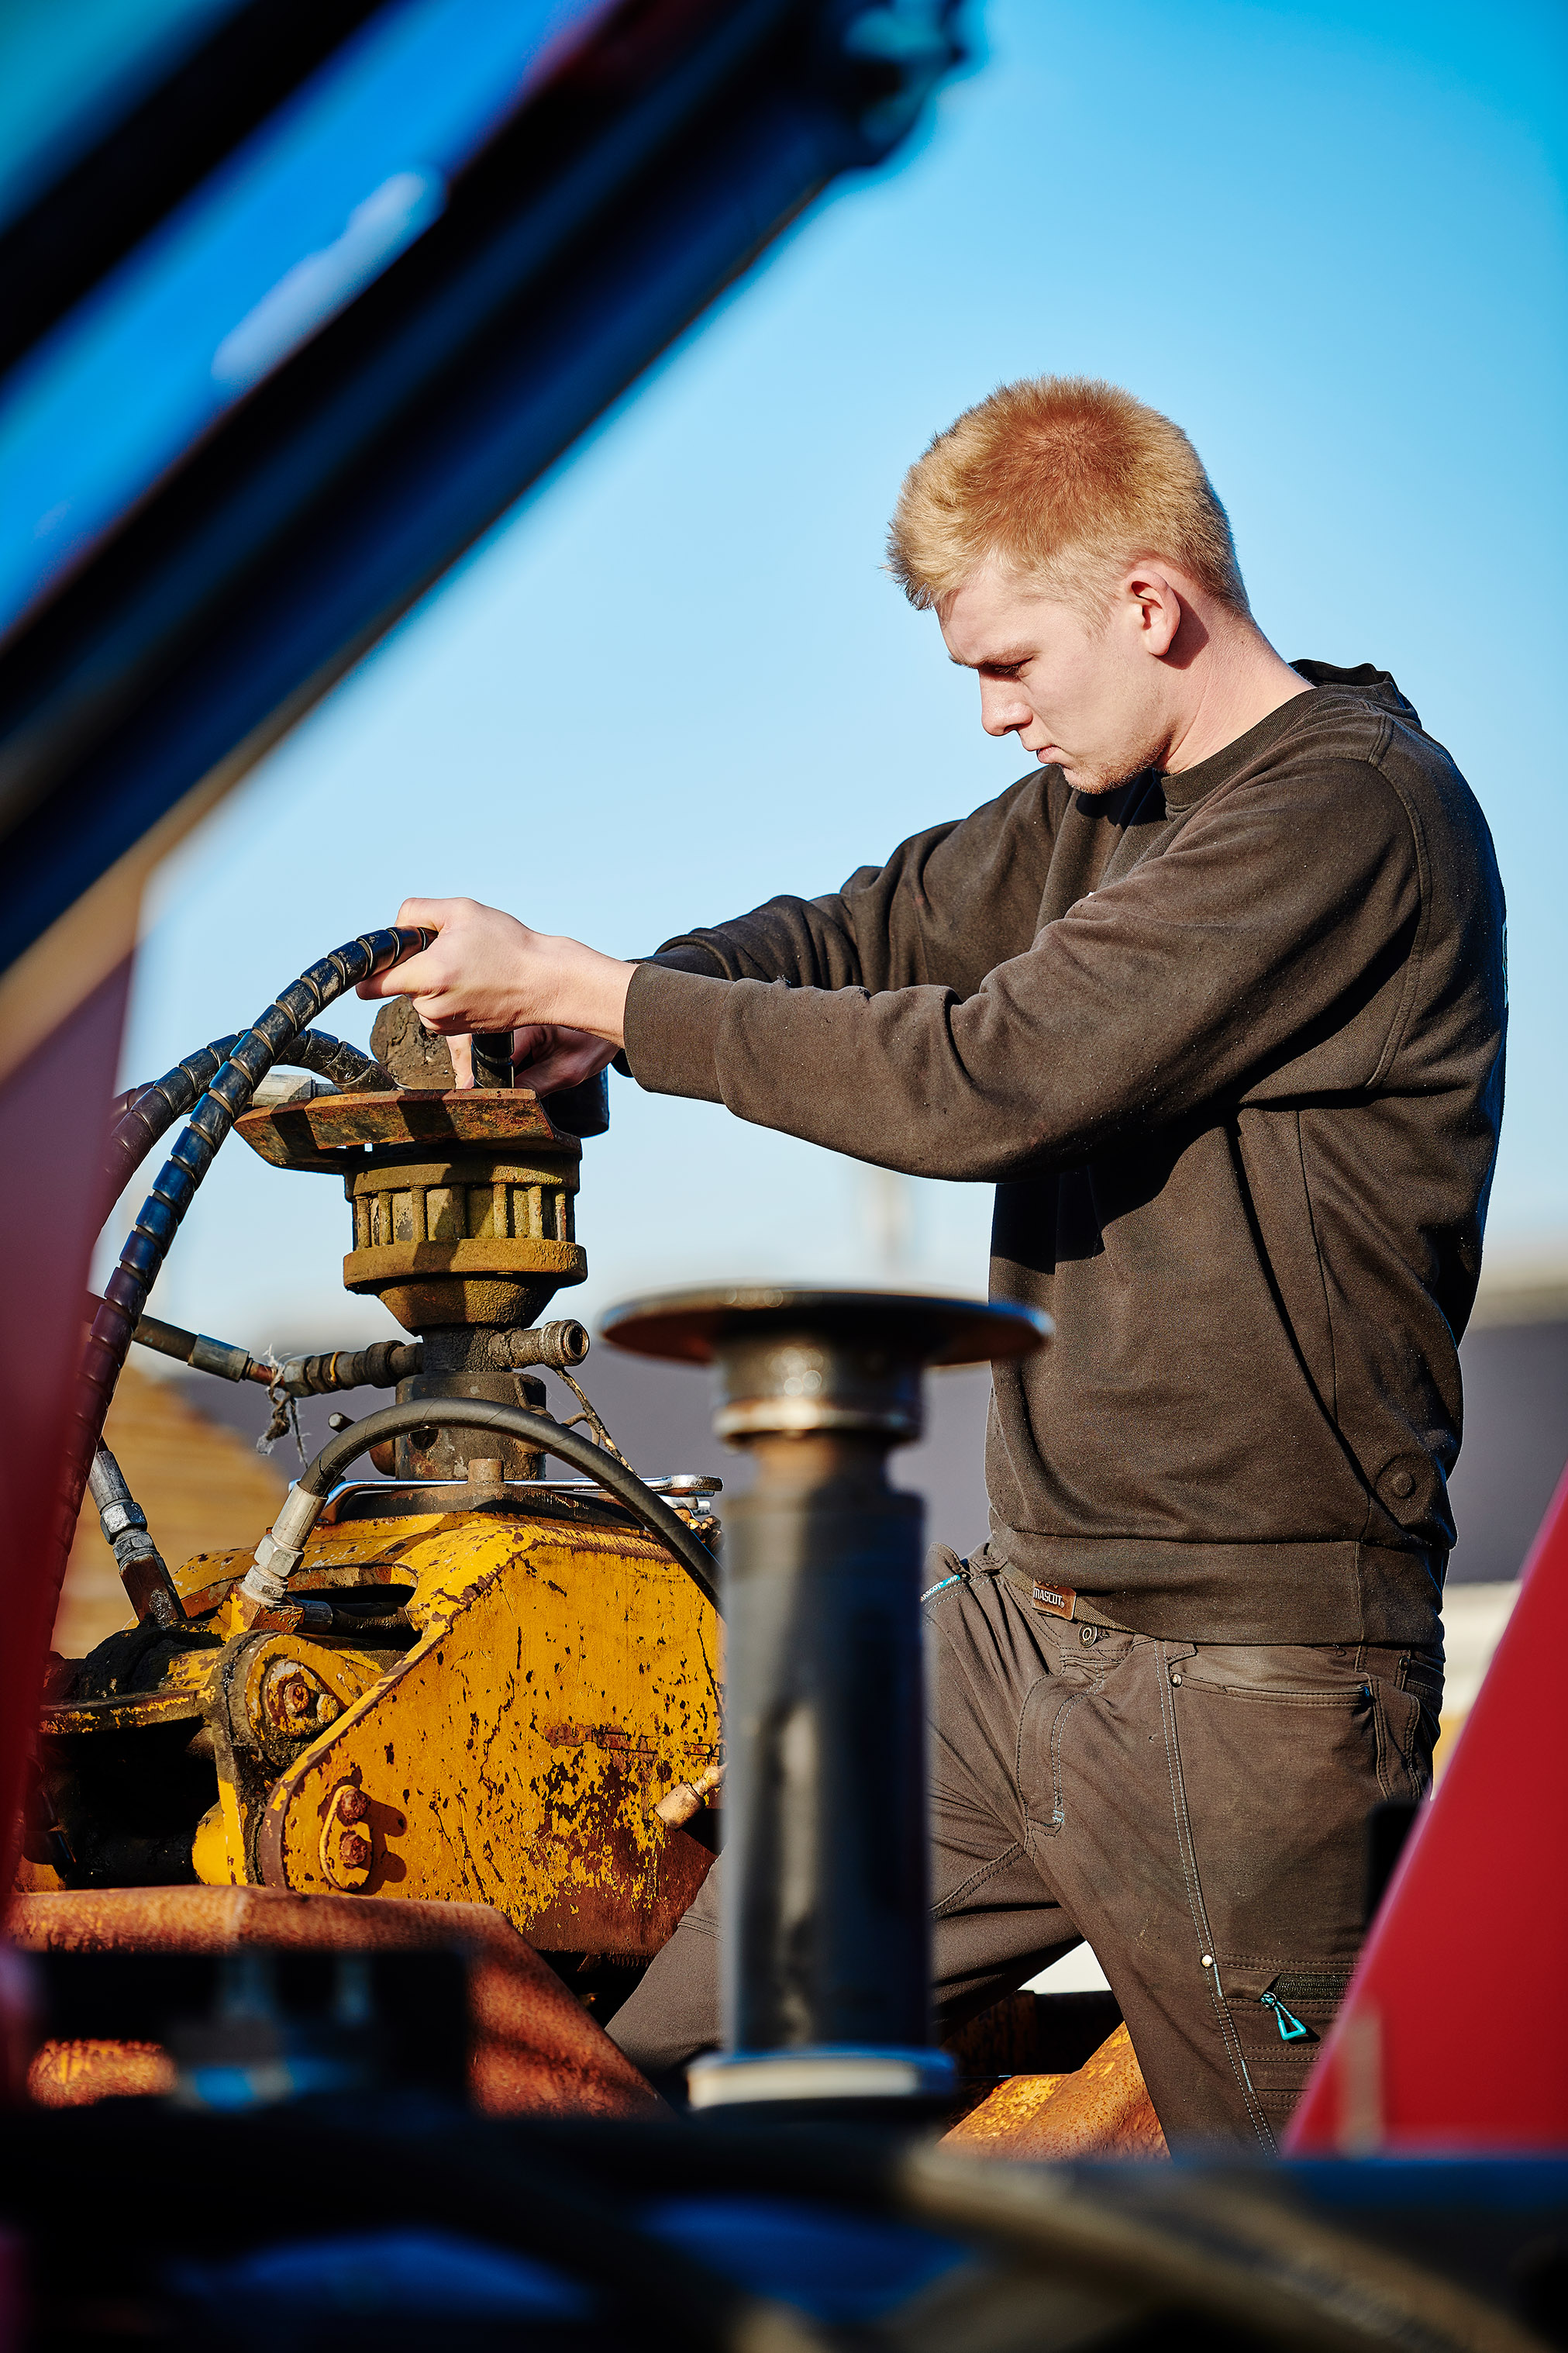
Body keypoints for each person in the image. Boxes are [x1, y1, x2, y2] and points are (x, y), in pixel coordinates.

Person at [359, 376, 1506, 2147]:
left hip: (1244, 1672)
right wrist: (597, 1022)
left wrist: (590, 989)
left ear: (1148, 600)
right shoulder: (1095, 814)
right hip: (1017, 1643)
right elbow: (861, 935)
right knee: (645, 2102)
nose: (990, 717)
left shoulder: (1350, 817)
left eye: (1009, 664)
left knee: (1317, 2254)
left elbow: (991, 1075)